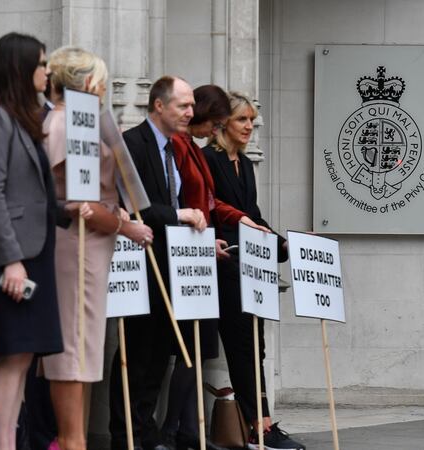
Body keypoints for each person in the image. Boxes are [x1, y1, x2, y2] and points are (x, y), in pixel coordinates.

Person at [40, 46, 154, 450]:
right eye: (101, 80)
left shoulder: (80, 123)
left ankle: (75, 439)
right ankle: (71, 441)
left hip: (90, 250)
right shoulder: (67, 124)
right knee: (73, 346)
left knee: (85, 348)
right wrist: (125, 225)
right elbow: (78, 205)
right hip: (75, 248)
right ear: (87, 82)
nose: (105, 88)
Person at [0, 32, 64, 450]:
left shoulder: (27, 116)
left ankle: (11, 441)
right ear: (21, 69)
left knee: (25, 357)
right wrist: (12, 261)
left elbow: (37, 189)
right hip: (11, 254)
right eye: (41, 64)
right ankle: (2, 444)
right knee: (13, 354)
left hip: (36, 250)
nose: (47, 72)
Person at [162, 84, 269, 450]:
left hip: (209, 253)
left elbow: (211, 203)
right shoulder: (187, 149)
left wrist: (254, 226)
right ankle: (173, 433)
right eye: (229, 120)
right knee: (189, 351)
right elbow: (188, 204)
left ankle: (188, 433)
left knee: (202, 350)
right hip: (192, 258)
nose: (196, 118)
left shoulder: (193, 149)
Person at [108, 76, 209, 450]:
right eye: (183, 105)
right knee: (136, 352)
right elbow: (139, 205)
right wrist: (181, 215)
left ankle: (145, 431)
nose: (190, 112)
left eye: (192, 105)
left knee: (158, 355)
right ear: (159, 106)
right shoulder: (133, 143)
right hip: (140, 263)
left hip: (170, 264)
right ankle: (126, 435)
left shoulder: (175, 149)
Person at [203, 92, 305, 450]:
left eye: (252, 120)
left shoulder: (244, 164)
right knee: (243, 346)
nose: (249, 126)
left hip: (253, 266)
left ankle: (262, 423)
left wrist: (285, 244)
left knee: (255, 345)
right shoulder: (208, 160)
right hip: (225, 263)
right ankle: (256, 427)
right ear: (222, 124)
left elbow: (254, 217)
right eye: (242, 120)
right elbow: (213, 212)